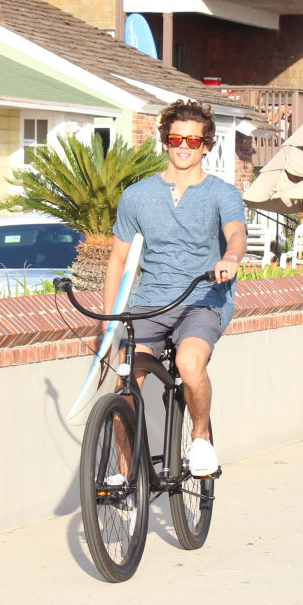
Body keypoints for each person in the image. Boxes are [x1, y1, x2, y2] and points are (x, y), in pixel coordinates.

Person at [104, 100, 247, 477]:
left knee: (187, 363)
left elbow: (236, 235)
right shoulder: (136, 196)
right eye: (176, 138)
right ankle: (125, 473)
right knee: (125, 382)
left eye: (193, 140)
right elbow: (117, 262)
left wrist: (230, 258)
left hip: (202, 299)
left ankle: (200, 439)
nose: (184, 145)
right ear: (165, 142)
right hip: (149, 302)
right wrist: (108, 325)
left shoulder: (222, 193)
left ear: (206, 146)